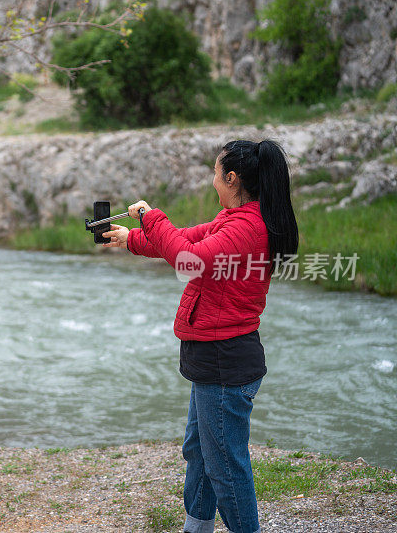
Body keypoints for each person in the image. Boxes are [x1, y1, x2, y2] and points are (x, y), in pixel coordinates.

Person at [102, 139, 298, 533]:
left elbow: (190, 261)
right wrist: (132, 239)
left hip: (225, 359)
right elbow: (188, 239)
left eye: (214, 173)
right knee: (199, 452)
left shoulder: (247, 226)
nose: (212, 180)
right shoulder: (235, 218)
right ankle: (197, 527)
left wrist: (151, 216)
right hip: (212, 356)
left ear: (231, 177)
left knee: (225, 466)